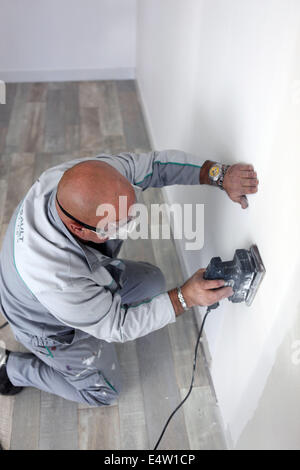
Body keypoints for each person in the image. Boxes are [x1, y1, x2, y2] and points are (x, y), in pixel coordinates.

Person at [0, 150, 258, 404]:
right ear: (78, 228)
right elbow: (117, 326)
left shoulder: (95, 176)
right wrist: (184, 298)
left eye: (130, 210)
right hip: (44, 324)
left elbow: (155, 166)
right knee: (104, 394)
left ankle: (91, 312)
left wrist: (220, 175)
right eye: (116, 224)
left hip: (70, 286)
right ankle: (12, 369)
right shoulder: (57, 277)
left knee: (152, 282)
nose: (130, 225)